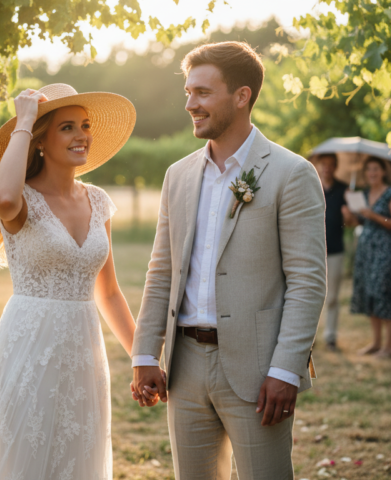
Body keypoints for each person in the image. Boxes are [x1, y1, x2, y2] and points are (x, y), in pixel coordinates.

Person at [130, 41, 326, 479]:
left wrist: (285, 370)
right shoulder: (177, 176)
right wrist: (145, 353)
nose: (189, 104)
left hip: (259, 370)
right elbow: (162, 270)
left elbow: (307, 283)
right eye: (187, 92)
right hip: (184, 367)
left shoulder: (291, 174)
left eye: (202, 93)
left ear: (242, 96)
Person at [0, 84, 138, 479]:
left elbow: (107, 292)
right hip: (28, 351)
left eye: (86, 125)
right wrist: (24, 119)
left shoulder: (99, 201)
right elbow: (3, 200)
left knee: (75, 461)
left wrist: (142, 359)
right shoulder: (20, 200)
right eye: (67, 127)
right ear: (40, 141)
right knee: (20, 461)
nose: (82, 136)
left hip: (84, 357)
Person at [342, 157, 391, 359]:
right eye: (368, 170)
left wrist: (373, 215)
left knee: (383, 292)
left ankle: (389, 346)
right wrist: (348, 211)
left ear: (383, 171)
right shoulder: (364, 194)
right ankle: (376, 343)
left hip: (384, 249)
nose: (372, 173)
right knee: (369, 293)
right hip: (365, 249)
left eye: (376, 169)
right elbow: (354, 223)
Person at [312, 153, 348, 351]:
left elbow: (351, 223)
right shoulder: (311, 186)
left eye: (330, 165)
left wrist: (348, 216)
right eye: (323, 164)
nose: (327, 168)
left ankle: (331, 336)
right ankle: (310, 336)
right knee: (311, 294)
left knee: (332, 296)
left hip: (335, 249)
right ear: (319, 166)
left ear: (335, 167)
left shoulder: (344, 189)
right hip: (312, 249)